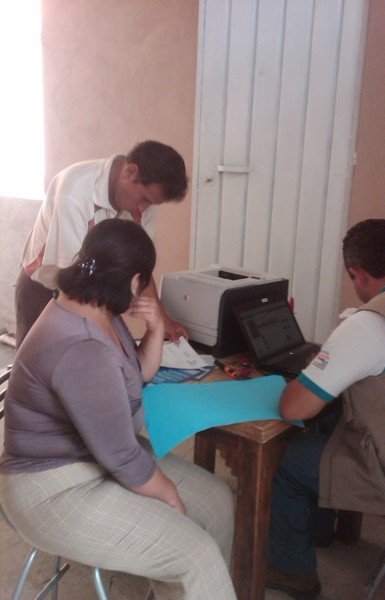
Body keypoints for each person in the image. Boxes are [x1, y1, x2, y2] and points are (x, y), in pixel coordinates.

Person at [1, 219, 237, 600]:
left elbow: (137, 373)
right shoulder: (80, 345)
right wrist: (169, 495)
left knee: (217, 503)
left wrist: (156, 329)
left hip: (93, 461)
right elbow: (123, 456)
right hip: (51, 488)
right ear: (134, 281)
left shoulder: (98, 311)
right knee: (194, 554)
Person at [266, 219, 385, 599]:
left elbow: (293, 407)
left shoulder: (370, 324)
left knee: (286, 459)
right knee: (332, 419)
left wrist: (316, 370)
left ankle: (292, 570)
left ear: (357, 274)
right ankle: (321, 528)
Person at [15, 140, 189, 348]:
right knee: (40, 361)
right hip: (44, 287)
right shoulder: (74, 191)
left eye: (152, 203)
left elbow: (139, 267)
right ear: (130, 172)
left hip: (92, 296)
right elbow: (73, 276)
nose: (143, 210)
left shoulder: (141, 204)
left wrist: (162, 320)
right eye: (144, 199)